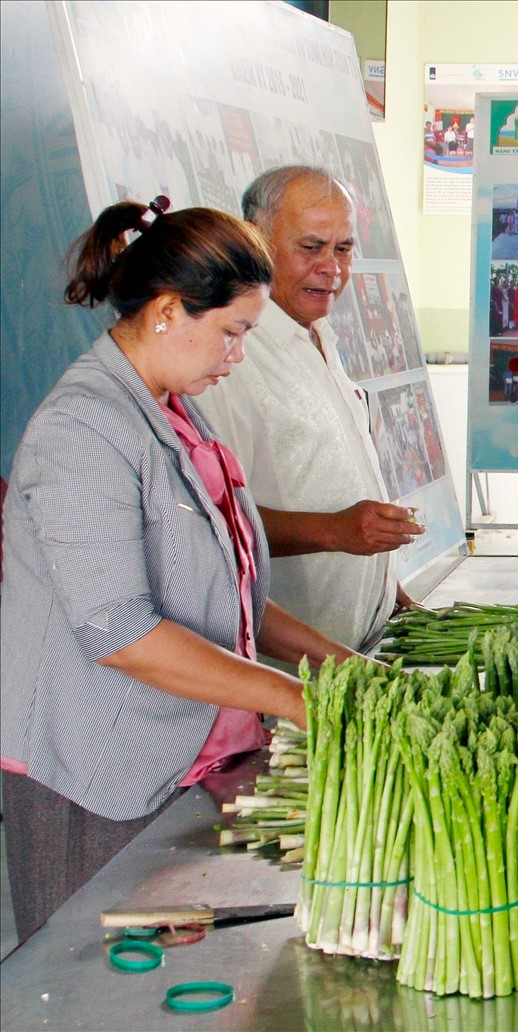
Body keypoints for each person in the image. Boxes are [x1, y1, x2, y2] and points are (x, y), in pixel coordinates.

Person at [1, 198, 363, 942]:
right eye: (232, 334)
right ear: (168, 310)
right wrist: (298, 701)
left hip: (190, 764)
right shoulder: (83, 427)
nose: (236, 358)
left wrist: (348, 669)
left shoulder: (169, 407)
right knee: (94, 999)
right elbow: (121, 631)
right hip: (101, 779)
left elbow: (224, 595)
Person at [195, 167, 423, 655]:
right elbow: (210, 525)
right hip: (285, 672)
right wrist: (334, 531)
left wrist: (384, 588)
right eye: (311, 247)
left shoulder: (319, 333)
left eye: (343, 249)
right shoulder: (230, 359)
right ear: (256, 242)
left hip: (358, 646)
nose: (332, 268)